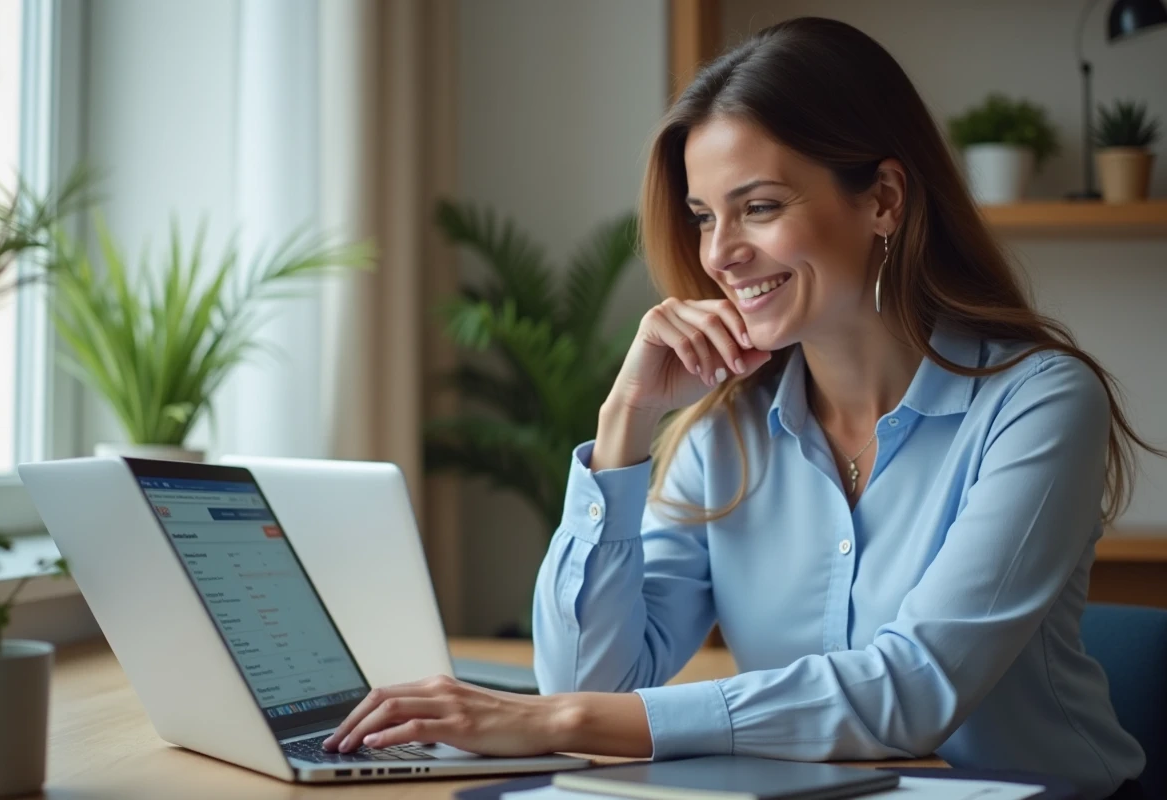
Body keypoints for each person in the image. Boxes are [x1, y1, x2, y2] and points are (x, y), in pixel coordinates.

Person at [321, 17, 1160, 800]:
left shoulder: (1038, 404)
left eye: (759, 207)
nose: (719, 253)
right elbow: (587, 685)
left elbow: (908, 693)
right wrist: (624, 424)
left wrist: (558, 722)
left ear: (884, 201)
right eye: (702, 216)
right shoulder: (726, 432)